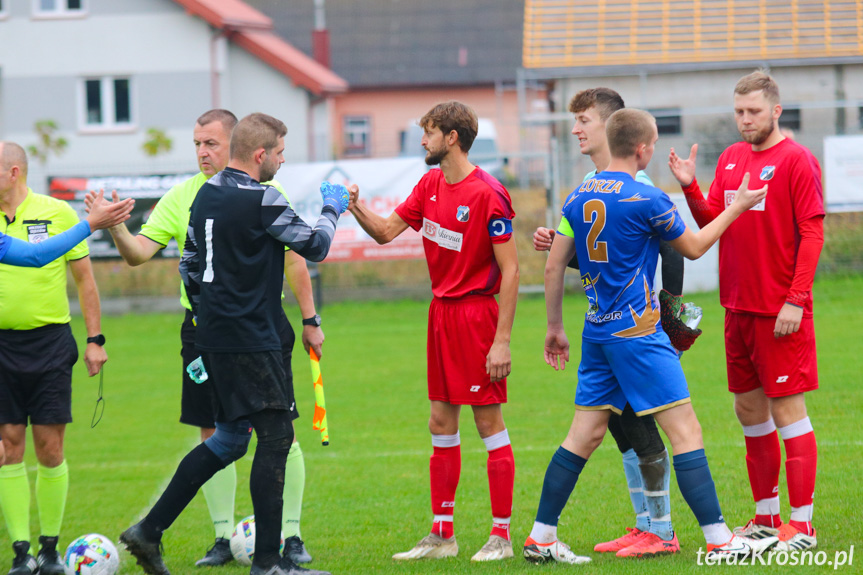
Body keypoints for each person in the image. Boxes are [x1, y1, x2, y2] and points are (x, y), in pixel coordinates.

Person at [524, 108, 777, 565]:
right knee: (686, 432)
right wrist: (737, 206)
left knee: (583, 435)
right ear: (642, 149)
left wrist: (554, 327)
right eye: (654, 144)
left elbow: (552, 265)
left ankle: (541, 536)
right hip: (638, 334)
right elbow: (695, 247)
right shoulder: (648, 198)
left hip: (596, 331)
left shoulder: (578, 195)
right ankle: (720, 541)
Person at [87, 109, 320, 566]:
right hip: (239, 335)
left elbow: (201, 267)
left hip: (232, 332)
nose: (201, 152)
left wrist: (307, 318)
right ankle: (263, 555)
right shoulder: (208, 197)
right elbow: (312, 248)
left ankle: (154, 530)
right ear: (258, 151)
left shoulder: (232, 195)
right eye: (196, 143)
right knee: (265, 435)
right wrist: (116, 225)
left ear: (235, 143)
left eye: (209, 143)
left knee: (235, 439)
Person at [347, 101, 519, 562]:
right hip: (441, 315)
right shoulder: (428, 184)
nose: (423, 141)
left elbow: (512, 269)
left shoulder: (489, 193)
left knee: (488, 423)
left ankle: (500, 537)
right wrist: (353, 206)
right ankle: (442, 536)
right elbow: (385, 232)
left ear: (453, 138)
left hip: (478, 317)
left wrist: (502, 340)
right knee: (440, 422)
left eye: (429, 133)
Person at [532, 88, 697, 557]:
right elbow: (600, 260)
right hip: (604, 326)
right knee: (619, 426)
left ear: (611, 126)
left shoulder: (641, 188)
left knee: (639, 423)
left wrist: (672, 309)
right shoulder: (590, 184)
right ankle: (646, 523)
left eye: (583, 120)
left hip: (636, 325)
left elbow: (672, 248)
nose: (576, 129)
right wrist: (559, 246)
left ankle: (660, 530)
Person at [668, 70, 823, 553]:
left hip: (780, 311)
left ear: (776, 111)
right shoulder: (733, 159)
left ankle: (802, 526)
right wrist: (692, 189)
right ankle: (765, 515)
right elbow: (710, 223)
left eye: (753, 111)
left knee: (787, 412)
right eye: (738, 112)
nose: (744, 120)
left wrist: (795, 300)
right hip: (737, 309)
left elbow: (813, 235)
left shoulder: (797, 161)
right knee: (748, 411)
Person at [0, 143, 121, 575]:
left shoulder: (55, 212)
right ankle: (21, 553)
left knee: (50, 448)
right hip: (1, 347)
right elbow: (33, 258)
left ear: (14, 172)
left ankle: (49, 550)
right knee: (7, 448)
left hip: (50, 344)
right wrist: (93, 222)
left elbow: (84, 280)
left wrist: (95, 338)